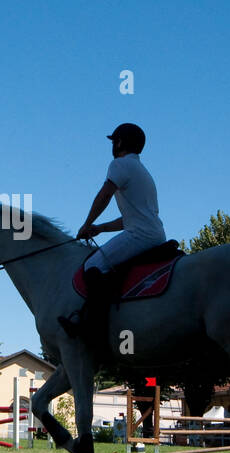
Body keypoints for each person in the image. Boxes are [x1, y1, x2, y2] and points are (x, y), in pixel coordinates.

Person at [59, 123, 167, 344]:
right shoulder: (143, 171)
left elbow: (104, 195)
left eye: (114, 141)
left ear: (119, 142)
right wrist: (100, 228)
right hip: (156, 234)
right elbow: (130, 217)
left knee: (93, 266)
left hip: (140, 236)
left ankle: (93, 330)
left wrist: (86, 223)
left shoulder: (119, 164)